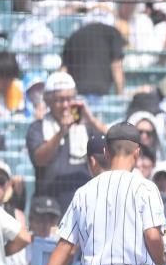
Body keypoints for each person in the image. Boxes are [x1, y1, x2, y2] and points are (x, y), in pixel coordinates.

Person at [32, 122, 166, 265]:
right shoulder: (145, 187)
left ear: (106, 151)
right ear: (137, 152)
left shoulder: (84, 191)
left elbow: (66, 245)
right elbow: (152, 235)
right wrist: (161, 258)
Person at [26, 71, 107, 212]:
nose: (65, 105)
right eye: (59, 100)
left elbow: (115, 143)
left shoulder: (86, 127)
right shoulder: (37, 127)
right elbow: (40, 159)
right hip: (48, 208)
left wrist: (92, 120)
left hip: (84, 205)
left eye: (69, 99)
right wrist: (61, 132)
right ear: (48, 101)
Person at [62, 20, 124, 99]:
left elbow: (63, 71)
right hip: (100, 95)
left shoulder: (74, 35)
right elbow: (116, 66)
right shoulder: (112, 33)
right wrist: (120, 96)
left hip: (78, 96)